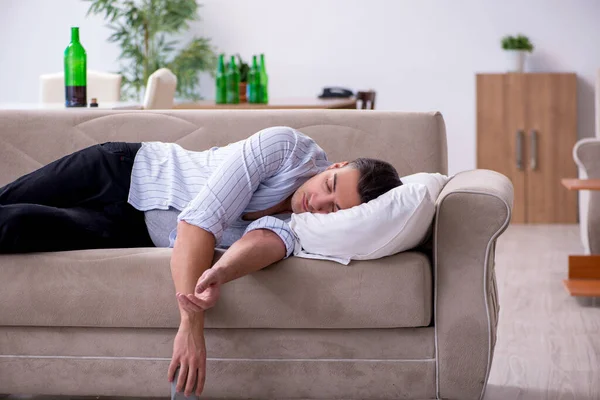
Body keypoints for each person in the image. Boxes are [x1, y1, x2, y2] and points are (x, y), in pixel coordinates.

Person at [0, 126, 402, 397]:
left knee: (16, 224)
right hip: (119, 170)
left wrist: (221, 271)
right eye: (329, 186)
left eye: (334, 210)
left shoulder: (308, 227)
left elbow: (265, 241)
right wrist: (191, 325)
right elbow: (199, 222)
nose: (318, 202)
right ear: (334, 166)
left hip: (128, 227)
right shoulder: (285, 147)